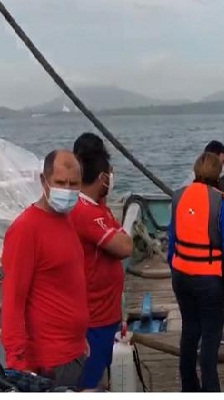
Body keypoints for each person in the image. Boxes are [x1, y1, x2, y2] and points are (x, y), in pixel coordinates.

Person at [1, 149, 89, 387]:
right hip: (47, 364)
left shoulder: (66, 220)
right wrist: (19, 366)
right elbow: (12, 302)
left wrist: (81, 339)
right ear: (43, 181)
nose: (68, 190)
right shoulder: (25, 230)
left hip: (75, 351)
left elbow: (67, 283)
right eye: (60, 183)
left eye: (74, 184)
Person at [167, 152, 224, 392]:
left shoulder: (178, 197)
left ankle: (189, 387)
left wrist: (176, 267)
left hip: (181, 276)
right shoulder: (222, 202)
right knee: (210, 338)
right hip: (210, 281)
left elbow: (172, 240)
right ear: (218, 173)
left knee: (189, 330)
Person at [70, 133, 133, 390]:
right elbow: (125, 246)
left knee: (101, 380)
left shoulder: (96, 208)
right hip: (94, 319)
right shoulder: (86, 213)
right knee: (91, 384)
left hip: (105, 314)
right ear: (102, 177)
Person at [203, 140, 224, 347]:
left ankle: (218, 331)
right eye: (220, 163)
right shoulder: (187, 186)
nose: (222, 168)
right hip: (201, 254)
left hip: (219, 249)